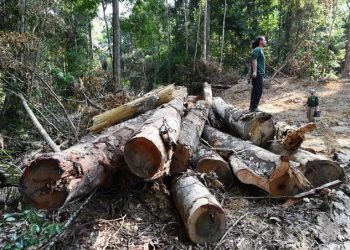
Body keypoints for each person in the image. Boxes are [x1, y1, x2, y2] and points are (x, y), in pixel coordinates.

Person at [249, 36, 267, 112]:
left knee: (255, 90)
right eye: (264, 40)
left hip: (260, 73)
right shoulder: (257, 49)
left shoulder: (260, 50)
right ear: (260, 41)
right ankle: (254, 107)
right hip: (258, 73)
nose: (266, 41)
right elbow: (254, 60)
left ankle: (252, 107)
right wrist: (255, 71)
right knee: (258, 90)